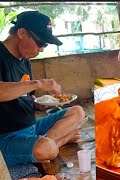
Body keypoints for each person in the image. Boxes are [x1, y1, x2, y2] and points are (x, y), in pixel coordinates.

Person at [0, 11, 85, 168]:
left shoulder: (24, 60)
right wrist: (37, 83)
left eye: (45, 45)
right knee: (46, 148)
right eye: (40, 43)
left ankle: (46, 143)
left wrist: (39, 103)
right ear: (22, 33)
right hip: (6, 137)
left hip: (32, 127)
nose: (42, 49)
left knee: (77, 111)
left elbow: (25, 97)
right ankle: (58, 141)